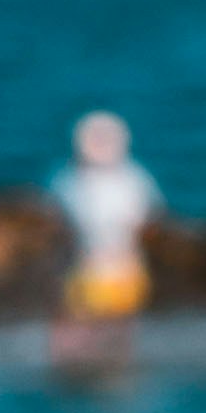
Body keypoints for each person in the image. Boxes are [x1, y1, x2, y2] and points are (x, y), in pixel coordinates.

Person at [52, 109, 162, 319]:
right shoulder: (67, 183)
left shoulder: (134, 180)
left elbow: (149, 224)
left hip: (126, 274)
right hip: (83, 274)